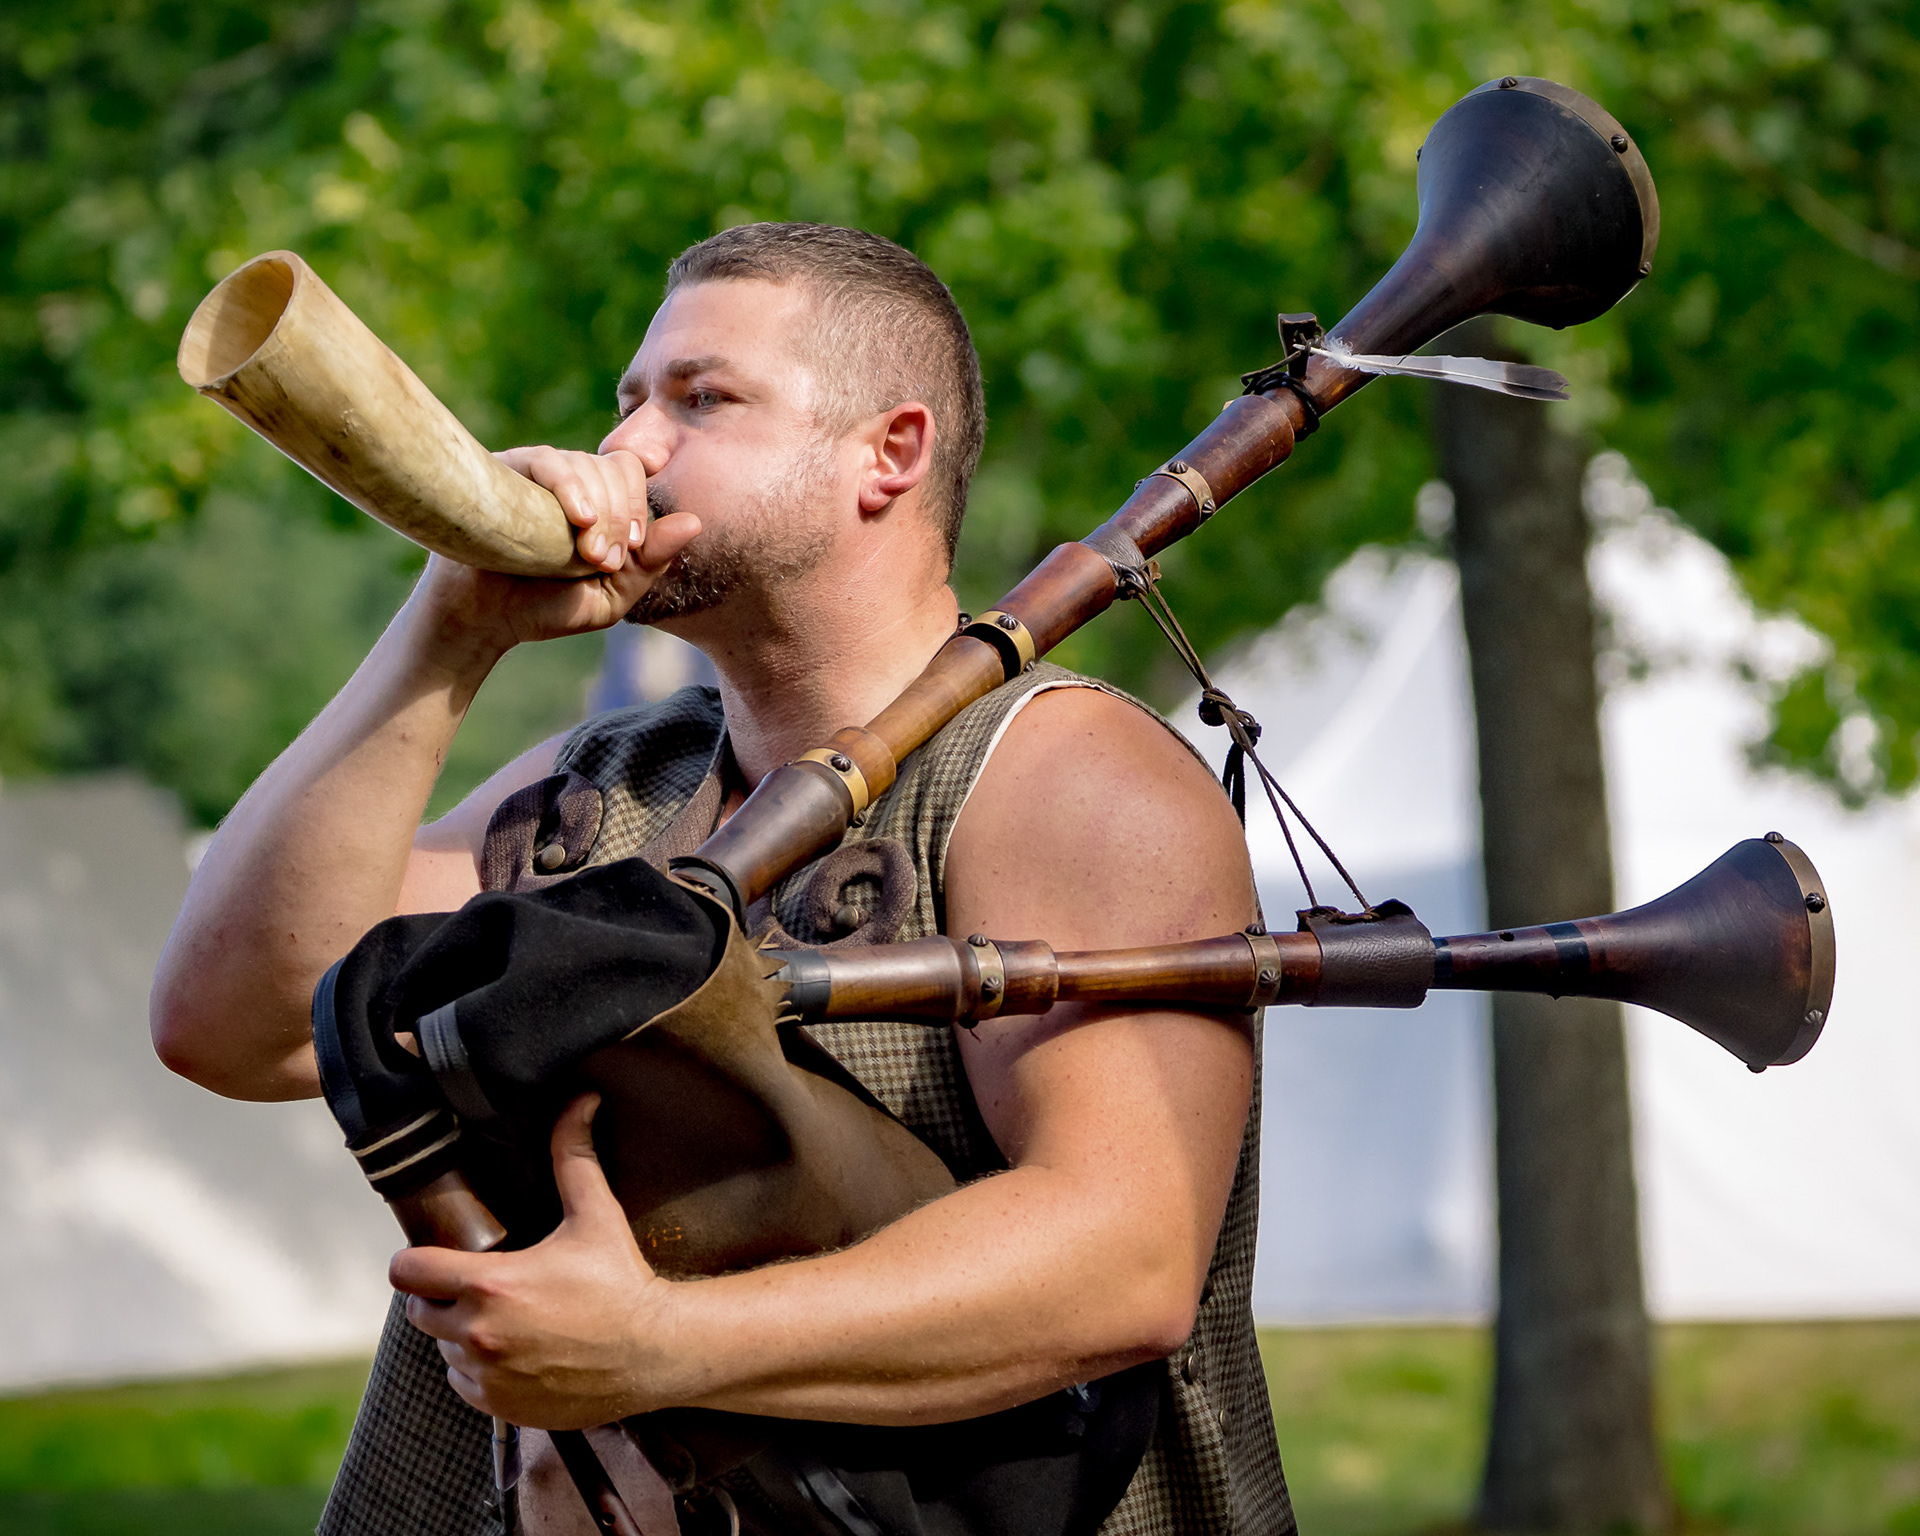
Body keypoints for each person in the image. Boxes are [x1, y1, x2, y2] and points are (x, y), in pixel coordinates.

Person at [151, 223, 1292, 1534]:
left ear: (890, 453)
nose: (627, 449)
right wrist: (444, 630)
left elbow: (1123, 1256)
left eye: (702, 399)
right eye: (629, 402)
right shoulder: (605, 788)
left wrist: (658, 1345)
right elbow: (238, 1024)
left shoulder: (1071, 775)